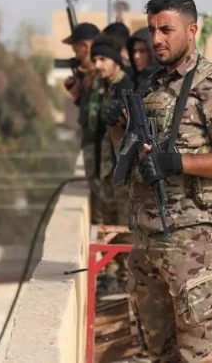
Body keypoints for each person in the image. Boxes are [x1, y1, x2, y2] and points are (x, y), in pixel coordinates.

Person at [125, 0, 212, 362]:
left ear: (192, 30)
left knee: (201, 354)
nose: (156, 39)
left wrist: (177, 163)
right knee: (159, 353)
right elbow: (131, 162)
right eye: (152, 30)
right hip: (148, 241)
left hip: (191, 243)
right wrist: (118, 126)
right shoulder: (152, 85)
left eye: (166, 29)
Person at [90, 36, 135, 296]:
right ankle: (114, 276)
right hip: (109, 170)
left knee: (125, 228)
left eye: (103, 59)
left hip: (123, 171)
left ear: (116, 60)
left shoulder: (126, 87)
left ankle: (127, 279)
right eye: (95, 60)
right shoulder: (106, 87)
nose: (98, 65)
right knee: (110, 225)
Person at [63, 22, 102, 221]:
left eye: (76, 49)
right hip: (92, 144)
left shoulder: (101, 75)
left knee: (104, 198)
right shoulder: (88, 76)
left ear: (85, 46)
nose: (76, 55)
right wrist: (78, 94)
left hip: (101, 147)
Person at [126, 26, 161, 92]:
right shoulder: (133, 82)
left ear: (152, 52)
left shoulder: (161, 82)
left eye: (142, 51)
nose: (136, 56)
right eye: (134, 51)